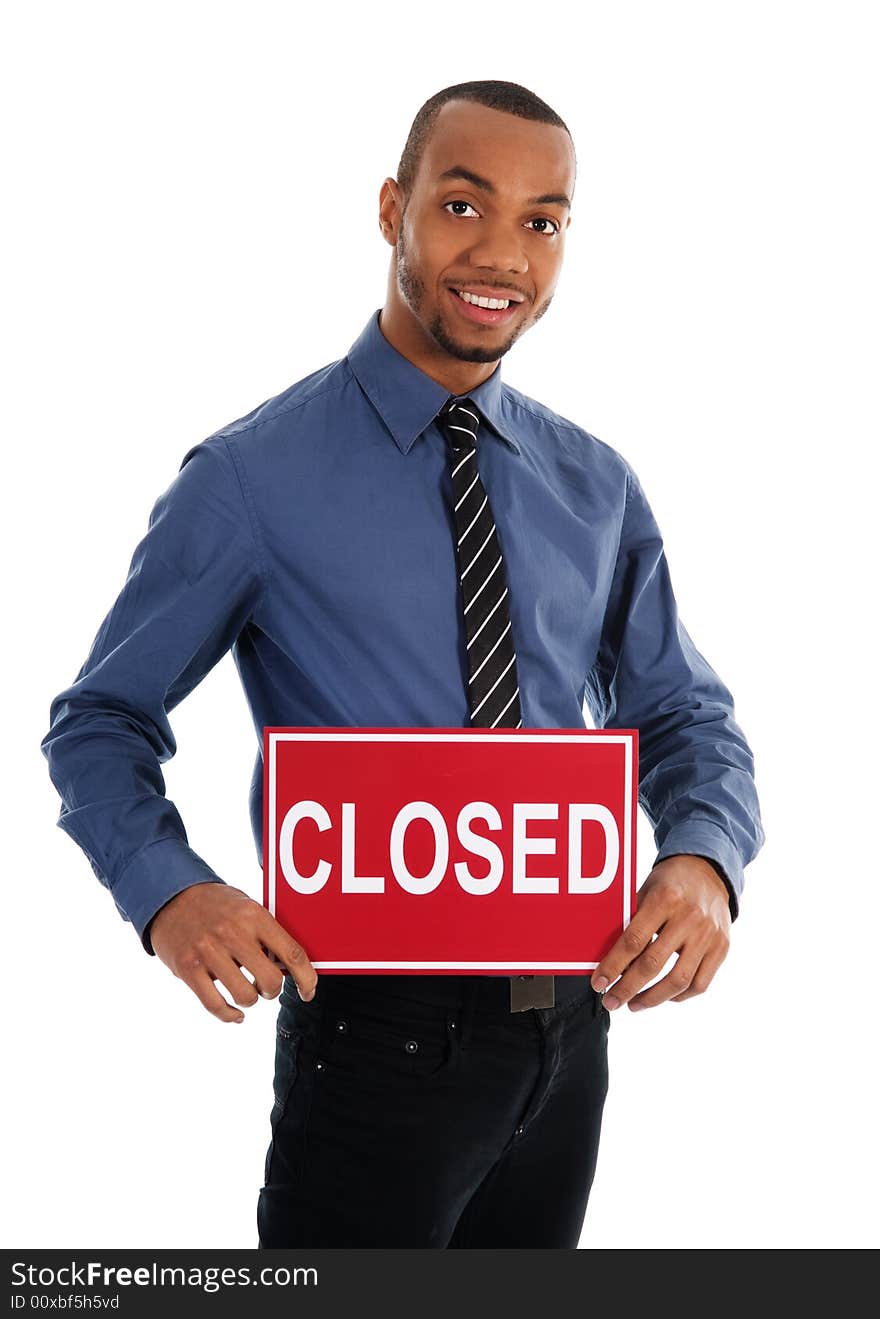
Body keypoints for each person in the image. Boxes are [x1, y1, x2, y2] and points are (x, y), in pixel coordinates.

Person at [40, 80, 765, 1248]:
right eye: (463, 205)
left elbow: (683, 711)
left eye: (543, 221)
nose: (501, 253)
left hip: (571, 1029)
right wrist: (169, 890)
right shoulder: (249, 478)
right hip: (372, 1040)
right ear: (393, 209)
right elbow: (99, 719)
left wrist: (703, 859)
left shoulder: (596, 483)